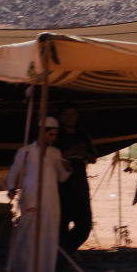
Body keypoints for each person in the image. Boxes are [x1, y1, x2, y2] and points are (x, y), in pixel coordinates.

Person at [5, 116, 71, 272]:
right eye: (50, 134)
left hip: (51, 201)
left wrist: (67, 168)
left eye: (55, 135)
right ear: (42, 132)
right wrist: (11, 187)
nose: (53, 138)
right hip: (31, 197)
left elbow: (62, 177)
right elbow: (14, 171)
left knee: (48, 237)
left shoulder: (55, 153)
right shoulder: (26, 151)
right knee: (29, 238)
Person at [54, 102, 96, 254]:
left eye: (73, 114)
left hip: (79, 185)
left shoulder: (82, 134)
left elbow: (93, 158)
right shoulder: (55, 136)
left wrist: (84, 153)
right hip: (60, 187)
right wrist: (68, 152)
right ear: (60, 117)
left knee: (84, 225)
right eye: (66, 115)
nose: (70, 118)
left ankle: (63, 254)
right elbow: (48, 159)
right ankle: (60, 260)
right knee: (61, 225)